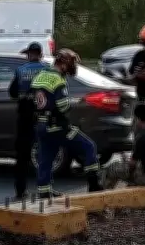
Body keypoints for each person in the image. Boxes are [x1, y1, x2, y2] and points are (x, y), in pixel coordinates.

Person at [31, 48, 103, 198]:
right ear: (63, 64)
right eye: (71, 64)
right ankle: (94, 185)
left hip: (41, 125)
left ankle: (44, 192)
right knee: (89, 146)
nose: (72, 67)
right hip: (57, 126)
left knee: (46, 159)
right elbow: (63, 106)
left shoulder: (40, 75)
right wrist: (75, 103)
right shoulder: (58, 79)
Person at [8, 42, 46, 199]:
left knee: (22, 155)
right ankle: (45, 189)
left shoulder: (20, 71)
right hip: (42, 115)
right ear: (41, 55)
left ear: (29, 54)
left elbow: (12, 92)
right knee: (45, 152)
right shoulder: (47, 70)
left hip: (25, 117)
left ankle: (20, 190)